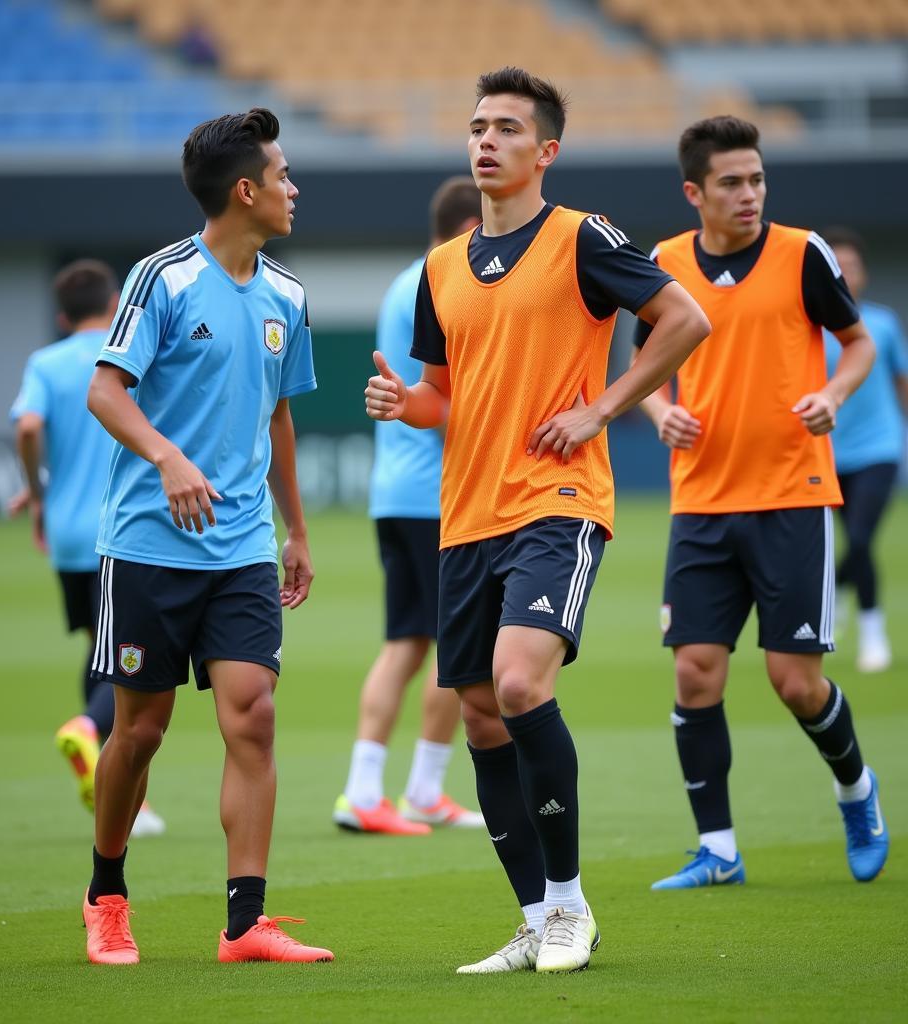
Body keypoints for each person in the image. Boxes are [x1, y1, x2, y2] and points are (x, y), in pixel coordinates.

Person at [365, 67, 709, 974]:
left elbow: (683, 317)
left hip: (558, 502)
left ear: (545, 150)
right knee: (480, 716)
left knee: (519, 686)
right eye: (478, 125)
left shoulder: (581, 238)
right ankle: (535, 919)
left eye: (508, 128)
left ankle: (569, 910)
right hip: (465, 514)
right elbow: (445, 395)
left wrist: (604, 407)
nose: (486, 140)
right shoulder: (441, 268)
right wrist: (409, 404)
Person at [81, 108, 332, 966]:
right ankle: (106, 893)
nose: (296, 188)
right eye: (285, 174)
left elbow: (280, 415)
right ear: (246, 190)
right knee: (140, 733)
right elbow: (106, 393)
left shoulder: (288, 295)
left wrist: (295, 529)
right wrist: (168, 459)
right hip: (149, 544)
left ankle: (245, 924)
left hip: (243, 551)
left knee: (253, 718)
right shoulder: (163, 278)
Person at [634, 116, 889, 892]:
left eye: (758, 180)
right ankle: (717, 851)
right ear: (694, 192)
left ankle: (858, 793)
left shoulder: (801, 252)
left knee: (795, 683)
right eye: (732, 183)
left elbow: (860, 343)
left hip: (791, 495)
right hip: (702, 503)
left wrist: (834, 393)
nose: (750, 195)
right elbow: (640, 356)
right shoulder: (663, 263)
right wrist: (656, 410)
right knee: (696, 676)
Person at [334, 176, 485, 836]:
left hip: (396, 490)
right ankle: (406, 787)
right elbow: (456, 398)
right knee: (458, 648)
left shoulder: (405, 281)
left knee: (406, 643)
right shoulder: (442, 282)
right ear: (468, 228)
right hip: (435, 494)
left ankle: (376, 788)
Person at [9, 260, 165, 839]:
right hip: (124, 527)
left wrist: (36, 489)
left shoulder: (45, 363)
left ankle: (110, 781)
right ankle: (89, 732)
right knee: (128, 665)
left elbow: (27, 427)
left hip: (67, 532)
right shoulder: (132, 347)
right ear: (117, 300)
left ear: (60, 315)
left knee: (98, 650)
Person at [822, 227, 908, 673]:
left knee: (860, 538)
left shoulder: (882, 324)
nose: (846, 274)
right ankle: (833, 599)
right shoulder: (809, 328)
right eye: (837, 267)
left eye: (852, 267)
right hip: (825, 454)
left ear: (863, 274)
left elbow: (901, 384)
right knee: (844, 542)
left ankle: (872, 633)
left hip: (879, 449)